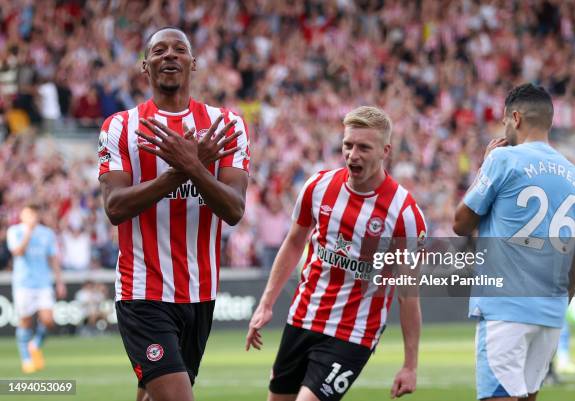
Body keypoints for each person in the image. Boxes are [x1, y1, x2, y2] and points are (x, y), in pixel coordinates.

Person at [98, 27, 249, 401]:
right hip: (142, 291)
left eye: (179, 49)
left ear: (193, 63)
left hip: (200, 293)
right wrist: (182, 171)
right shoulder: (120, 127)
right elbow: (115, 208)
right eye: (159, 50)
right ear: (144, 66)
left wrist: (193, 168)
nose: (169, 55)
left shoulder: (226, 126)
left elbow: (234, 209)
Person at [246, 106, 426, 401]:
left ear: (385, 151)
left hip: (353, 333)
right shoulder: (318, 186)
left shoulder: (404, 213)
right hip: (303, 318)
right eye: (348, 145)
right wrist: (266, 303)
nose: (353, 154)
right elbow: (293, 243)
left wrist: (410, 365)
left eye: (364, 147)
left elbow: (408, 294)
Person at [453, 84, 575, 401]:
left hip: (506, 308)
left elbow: (461, 224)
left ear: (514, 118)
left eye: (503, 122)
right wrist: (557, 307)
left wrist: (483, 168)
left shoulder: (503, 160)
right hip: (550, 315)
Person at [7, 203, 66, 373]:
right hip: (23, 283)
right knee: (25, 321)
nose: (31, 217)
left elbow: (53, 258)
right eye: (28, 214)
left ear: (38, 216)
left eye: (33, 214)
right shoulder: (15, 231)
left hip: (43, 283)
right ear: (22, 216)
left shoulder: (47, 234)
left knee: (48, 320)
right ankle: (26, 359)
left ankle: (35, 345)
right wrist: (28, 232)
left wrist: (59, 281)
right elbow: (17, 252)